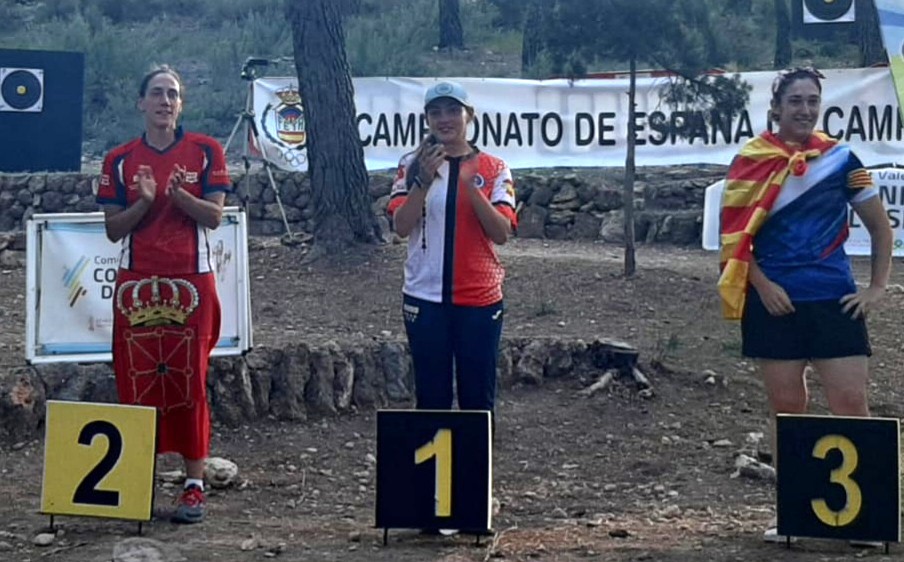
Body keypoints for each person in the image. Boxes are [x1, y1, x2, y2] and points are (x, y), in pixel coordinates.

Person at [718, 67, 893, 543]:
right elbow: (735, 239)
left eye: (812, 100)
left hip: (834, 300)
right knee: (787, 409)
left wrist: (877, 287)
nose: (805, 109)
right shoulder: (750, 160)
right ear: (776, 107)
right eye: (795, 101)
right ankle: (795, 513)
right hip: (774, 304)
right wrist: (762, 285)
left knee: (851, 402)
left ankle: (864, 518)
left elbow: (880, 227)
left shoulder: (841, 159)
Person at [96, 65, 231, 524]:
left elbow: (214, 217)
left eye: (173, 94)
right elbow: (113, 229)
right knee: (135, 379)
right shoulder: (119, 159)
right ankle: (136, 478)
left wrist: (180, 198)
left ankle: (193, 484)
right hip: (136, 280)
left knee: (189, 379)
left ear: (181, 105)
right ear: (141, 102)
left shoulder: (206, 150)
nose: (165, 101)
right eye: (156, 93)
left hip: (191, 278)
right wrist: (145, 202)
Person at [386, 81, 517, 425]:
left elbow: (501, 233)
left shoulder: (494, 167)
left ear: (468, 116)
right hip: (424, 297)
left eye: (453, 110)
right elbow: (401, 227)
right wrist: (423, 181)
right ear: (427, 119)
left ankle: (476, 461)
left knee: (477, 399)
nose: (445, 119)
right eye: (436, 112)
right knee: (432, 397)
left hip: (480, 299)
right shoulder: (411, 164)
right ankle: (433, 460)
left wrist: (472, 188)